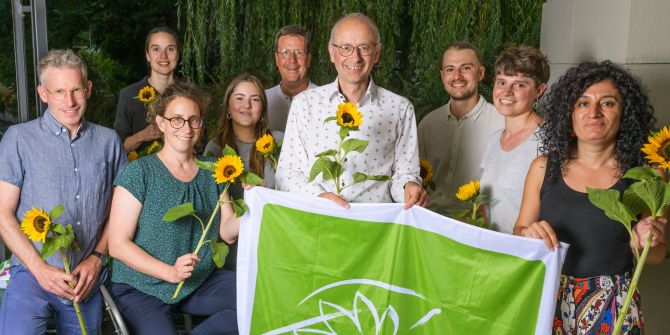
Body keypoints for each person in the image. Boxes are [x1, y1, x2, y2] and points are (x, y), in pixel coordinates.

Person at [514, 61, 667, 334]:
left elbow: (655, 256)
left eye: (608, 103)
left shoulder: (648, 174)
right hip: (547, 300)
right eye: (583, 103)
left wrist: (645, 242)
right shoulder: (542, 167)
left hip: (614, 307)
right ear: (569, 113)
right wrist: (529, 233)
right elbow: (519, 231)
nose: (594, 112)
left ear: (625, 113)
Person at [0, 49, 127, 333]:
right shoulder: (19, 139)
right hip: (32, 271)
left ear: (88, 89)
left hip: (85, 277)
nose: (69, 102)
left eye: (76, 90)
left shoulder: (109, 142)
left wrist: (97, 259)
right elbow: (2, 214)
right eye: (59, 91)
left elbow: (120, 213)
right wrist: (40, 270)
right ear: (43, 93)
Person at [108, 82, 239, 334]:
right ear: (161, 123)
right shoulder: (140, 172)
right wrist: (169, 272)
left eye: (194, 120)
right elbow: (117, 245)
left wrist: (256, 204)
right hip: (142, 286)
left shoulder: (215, 170)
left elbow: (228, 232)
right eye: (177, 119)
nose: (187, 128)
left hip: (197, 280)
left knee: (256, 298)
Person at [276, 13, 427, 208]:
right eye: (345, 48)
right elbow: (286, 175)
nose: (355, 57)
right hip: (318, 222)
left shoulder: (400, 109)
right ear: (332, 52)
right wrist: (319, 197)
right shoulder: (305, 104)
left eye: (364, 48)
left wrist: (409, 186)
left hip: (376, 229)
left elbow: (404, 175)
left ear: (377, 53)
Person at [205, 74, 282, 271]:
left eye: (254, 99)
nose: (246, 105)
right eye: (239, 98)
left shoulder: (280, 143)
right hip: (234, 250)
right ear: (228, 107)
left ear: (263, 109)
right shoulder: (215, 150)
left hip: (275, 240)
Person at [418, 41, 504, 216]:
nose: (457, 76)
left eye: (465, 68)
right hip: (428, 221)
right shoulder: (428, 124)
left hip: (474, 226)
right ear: (442, 76)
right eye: (450, 69)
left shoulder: (502, 125)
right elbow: (416, 178)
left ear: (480, 73)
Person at [479, 46, 549, 234]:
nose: (507, 92)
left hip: (526, 255)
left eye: (519, 84)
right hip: (493, 251)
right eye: (501, 82)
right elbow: (486, 206)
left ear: (539, 91)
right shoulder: (494, 140)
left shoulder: (549, 139)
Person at [114, 26, 180, 152]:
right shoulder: (128, 95)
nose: (163, 56)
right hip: (141, 170)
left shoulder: (188, 95)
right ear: (148, 55)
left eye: (170, 49)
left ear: (177, 55)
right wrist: (142, 136)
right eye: (156, 49)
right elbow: (118, 148)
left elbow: (200, 145)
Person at [266, 24, 317, 132]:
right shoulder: (262, 101)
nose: (292, 60)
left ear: (308, 59)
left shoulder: (324, 100)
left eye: (299, 53)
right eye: (285, 52)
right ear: (276, 59)